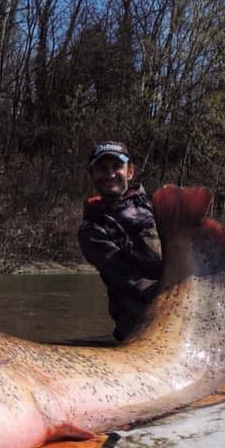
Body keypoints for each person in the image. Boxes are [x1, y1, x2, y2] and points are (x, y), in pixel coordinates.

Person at [78, 141, 162, 342]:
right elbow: (125, 277)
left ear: (130, 171)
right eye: (102, 168)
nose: (110, 174)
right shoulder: (91, 229)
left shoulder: (158, 207)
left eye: (117, 167)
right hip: (139, 325)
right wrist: (166, 296)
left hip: (186, 305)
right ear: (92, 175)